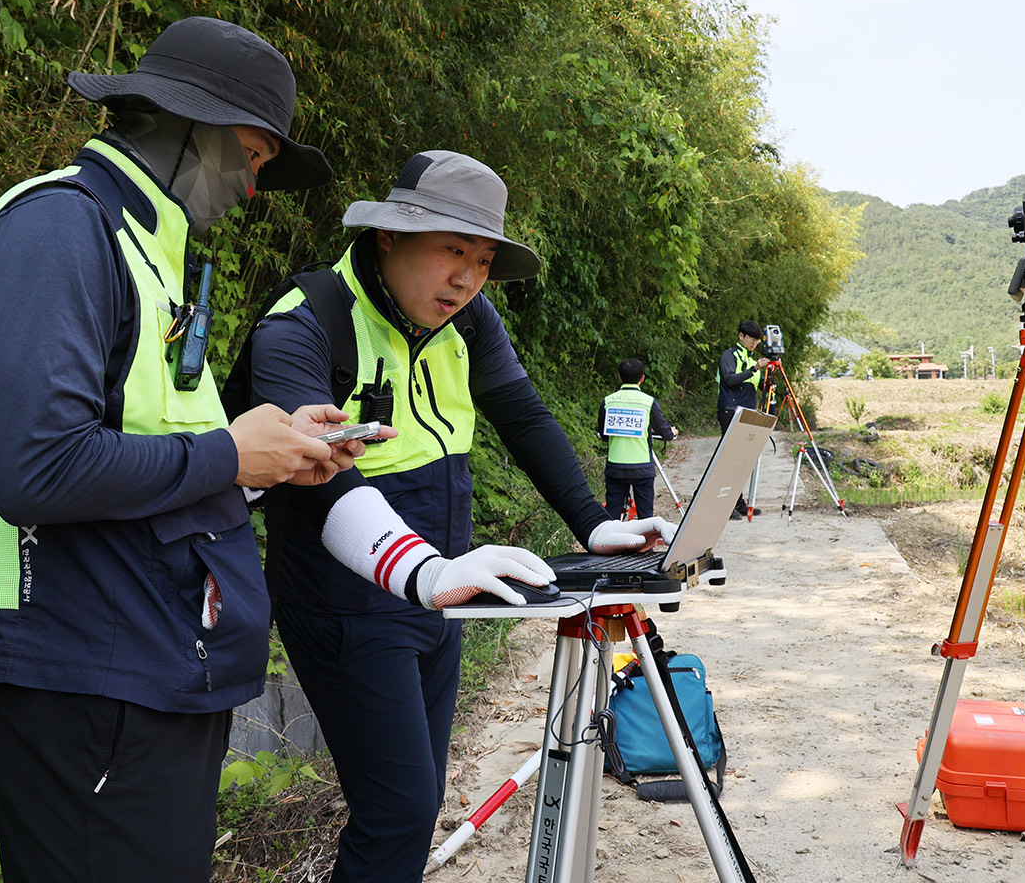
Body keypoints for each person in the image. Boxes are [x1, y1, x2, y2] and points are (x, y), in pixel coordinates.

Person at [0, 17, 371, 882]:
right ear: (184, 121)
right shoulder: (59, 229)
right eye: (253, 154)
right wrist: (229, 457)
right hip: (87, 680)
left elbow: (158, 465)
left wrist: (267, 462)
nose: (254, 186)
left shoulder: (147, 254)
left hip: (150, 669)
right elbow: (36, 466)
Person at [243, 149, 677, 883]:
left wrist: (593, 522)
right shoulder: (305, 323)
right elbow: (307, 473)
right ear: (389, 236)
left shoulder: (468, 319)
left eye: (481, 260)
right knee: (400, 811)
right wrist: (425, 570)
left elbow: (523, 413)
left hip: (441, 590)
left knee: (417, 802)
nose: (467, 278)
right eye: (452, 251)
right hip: (348, 596)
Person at [598, 357, 679, 520]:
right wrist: (672, 432)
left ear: (619, 377)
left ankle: (613, 544)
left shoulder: (608, 402)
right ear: (642, 378)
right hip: (642, 468)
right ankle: (645, 545)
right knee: (645, 515)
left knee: (612, 512)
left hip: (616, 467)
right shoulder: (649, 402)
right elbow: (665, 433)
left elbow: (603, 434)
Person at [717, 319, 766, 516]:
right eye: (751, 339)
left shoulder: (753, 359)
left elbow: (761, 385)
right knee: (730, 459)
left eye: (757, 340)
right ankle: (727, 505)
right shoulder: (730, 355)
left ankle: (739, 503)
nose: (754, 343)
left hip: (748, 412)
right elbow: (729, 379)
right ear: (741, 336)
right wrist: (754, 369)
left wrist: (769, 373)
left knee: (742, 460)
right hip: (730, 410)